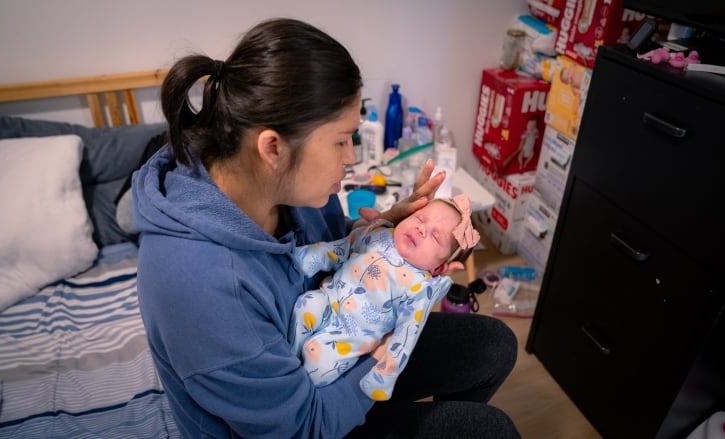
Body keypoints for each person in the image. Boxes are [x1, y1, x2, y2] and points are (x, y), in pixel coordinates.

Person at [132, 17, 519, 439]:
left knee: (495, 345)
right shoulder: (199, 283)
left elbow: (332, 245)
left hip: (341, 336)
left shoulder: (288, 188)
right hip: (299, 417)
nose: (351, 158)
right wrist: (388, 358)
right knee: (489, 431)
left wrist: (387, 238)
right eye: (341, 140)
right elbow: (304, 428)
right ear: (273, 147)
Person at [290, 195, 480, 401]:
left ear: (439, 267)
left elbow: (406, 336)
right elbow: (343, 247)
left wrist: (384, 374)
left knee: (317, 358)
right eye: (419, 218)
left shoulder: (420, 289)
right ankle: (289, 359)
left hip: (351, 336)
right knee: (306, 305)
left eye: (435, 237)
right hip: (327, 297)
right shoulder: (378, 233)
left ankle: (297, 393)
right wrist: (311, 257)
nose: (421, 229)